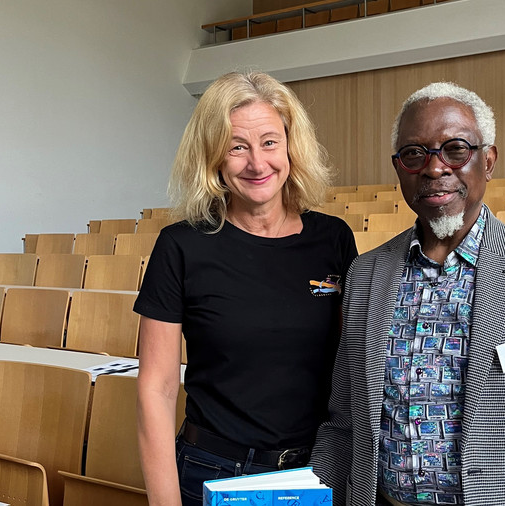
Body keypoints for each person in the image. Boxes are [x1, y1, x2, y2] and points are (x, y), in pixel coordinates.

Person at [310, 82, 505, 506]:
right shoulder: (365, 274)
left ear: (488, 160)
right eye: (414, 154)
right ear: (399, 167)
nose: (435, 168)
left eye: (455, 149)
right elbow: (343, 426)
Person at [135, 71, 357, 506]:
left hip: (316, 473)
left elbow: (352, 368)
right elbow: (156, 388)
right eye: (237, 147)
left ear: (292, 146)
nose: (257, 163)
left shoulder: (333, 240)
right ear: (214, 157)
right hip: (211, 473)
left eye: (270, 142)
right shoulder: (180, 245)